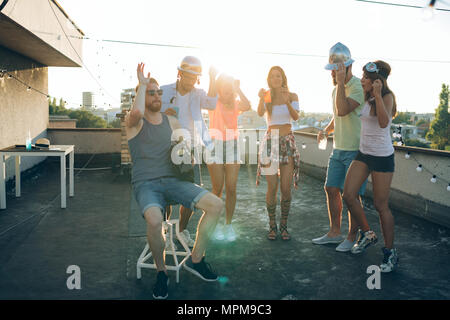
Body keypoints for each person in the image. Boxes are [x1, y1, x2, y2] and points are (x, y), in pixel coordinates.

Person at [126, 63, 223, 299]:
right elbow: (137, 112)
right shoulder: (134, 123)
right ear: (141, 96)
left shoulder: (171, 122)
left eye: (159, 92)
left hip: (173, 180)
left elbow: (184, 146)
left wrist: (186, 153)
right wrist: (142, 83)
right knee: (155, 218)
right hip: (146, 184)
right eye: (151, 93)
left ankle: (196, 259)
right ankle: (162, 273)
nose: (158, 95)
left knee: (216, 205)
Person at [343, 60, 398, 272]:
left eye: (366, 77)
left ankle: (390, 253)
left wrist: (377, 95)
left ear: (377, 80)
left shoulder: (387, 97)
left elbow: (384, 123)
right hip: (364, 153)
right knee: (348, 194)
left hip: (382, 157)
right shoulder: (366, 97)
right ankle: (367, 234)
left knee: (380, 205)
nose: (362, 80)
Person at [312, 42, 367, 252]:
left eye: (335, 70)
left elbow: (343, 110)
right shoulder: (337, 89)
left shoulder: (356, 88)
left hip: (355, 150)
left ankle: (352, 236)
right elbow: (337, 116)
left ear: (346, 68)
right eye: (332, 70)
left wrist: (342, 83)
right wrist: (326, 129)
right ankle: (335, 233)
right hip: (339, 148)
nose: (332, 74)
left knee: (352, 196)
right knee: (331, 188)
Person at [160, 56, 218, 248]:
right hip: (167, 145)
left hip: (190, 147)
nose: (191, 80)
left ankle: (182, 231)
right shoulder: (165, 90)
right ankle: (165, 233)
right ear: (180, 73)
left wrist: (213, 78)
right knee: (165, 192)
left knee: (191, 191)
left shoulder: (198, 93)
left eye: (195, 77)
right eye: (188, 75)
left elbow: (212, 104)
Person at [256, 66, 300, 241]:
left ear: (283, 78)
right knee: (272, 187)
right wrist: (260, 99)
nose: (276, 79)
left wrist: (286, 100)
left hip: (287, 141)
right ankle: (272, 225)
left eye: (278, 76)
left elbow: (296, 117)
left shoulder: (293, 95)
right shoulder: (267, 96)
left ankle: (284, 226)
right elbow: (260, 112)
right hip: (270, 142)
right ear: (269, 80)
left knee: (286, 189)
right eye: (273, 76)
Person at [207, 74, 251, 241]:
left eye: (229, 85)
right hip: (215, 145)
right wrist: (212, 77)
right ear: (219, 87)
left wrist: (238, 88)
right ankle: (213, 222)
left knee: (231, 188)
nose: (227, 87)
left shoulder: (235, 103)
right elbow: (209, 97)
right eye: (224, 84)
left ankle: (228, 224)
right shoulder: (214, 102)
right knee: (217, 189)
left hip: (232, 145)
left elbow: (248, 105)